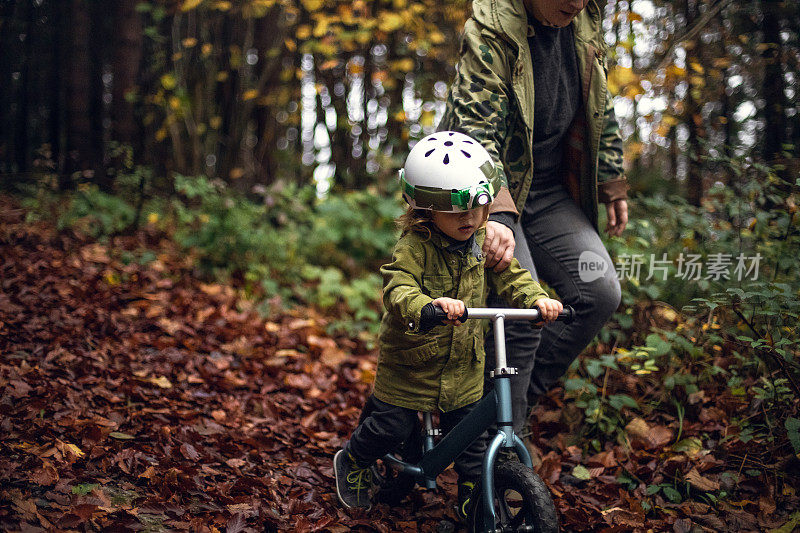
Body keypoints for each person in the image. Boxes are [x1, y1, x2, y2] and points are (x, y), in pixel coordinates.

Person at [333, 131, 563, 517]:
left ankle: (478, 500)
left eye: (478, 208)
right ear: (425, 210)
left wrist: (536, 298)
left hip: (463, 370)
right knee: (390, 427)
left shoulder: (484, 238)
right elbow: (398, 286)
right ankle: (353, 460)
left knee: (473, 442)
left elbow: (512, 277)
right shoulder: (415, 246)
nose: (470, 219)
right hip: (413, 368)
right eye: (457, 212)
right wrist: (426, 305)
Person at [438, 0, 629, 440]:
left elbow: (601, 104)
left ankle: (499, 408)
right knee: (521, 315)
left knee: (599, 292)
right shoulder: (491, 28)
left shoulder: (583, 21)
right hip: (490, 188)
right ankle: (502, 446)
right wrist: (496, 212)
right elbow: (475, 130)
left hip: (549, 190)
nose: (576, 2)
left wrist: (611, 179)